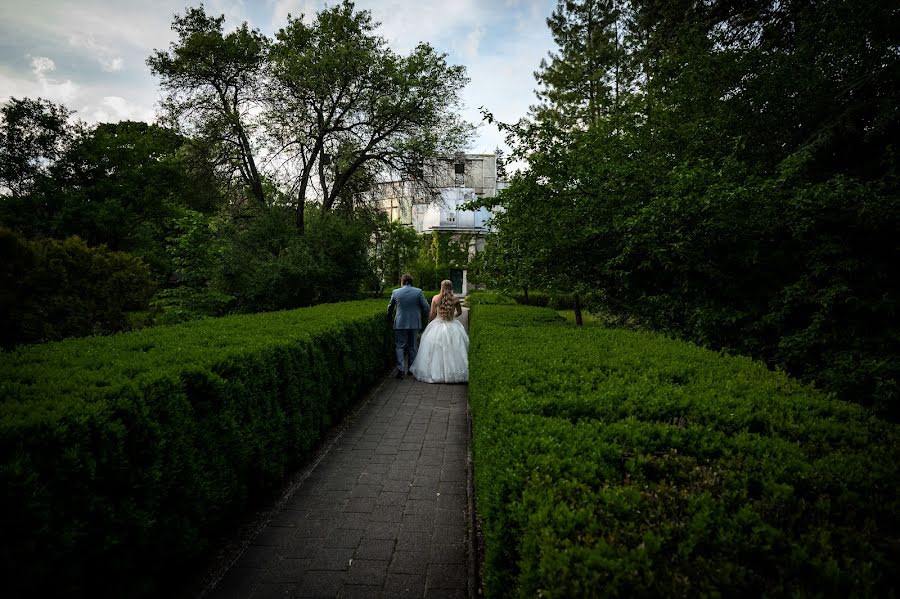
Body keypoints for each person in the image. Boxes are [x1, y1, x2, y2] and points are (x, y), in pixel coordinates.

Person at [410, 279, 469, 383]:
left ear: (441, 287)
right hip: (452, 324)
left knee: (435, 350)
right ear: (451, 287)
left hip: (437, 325)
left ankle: (436, 373)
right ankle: (453, 373)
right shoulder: (455, 299)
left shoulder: (435, 298)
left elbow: (432, 314)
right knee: (454, 349)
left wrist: (429, 323)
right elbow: (459, 312)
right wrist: (452, 317)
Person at [387, 273, 430, 378]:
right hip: (414, 322)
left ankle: (400, 370)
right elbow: (426, 307)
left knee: (399, 346)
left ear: (402, 282)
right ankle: (411, 369)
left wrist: (389, 318)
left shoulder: (395, 292)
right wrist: (422, 315)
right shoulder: (418, 291)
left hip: (400, 323)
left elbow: (390, 307)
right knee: (413, 346)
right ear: (411, 282)